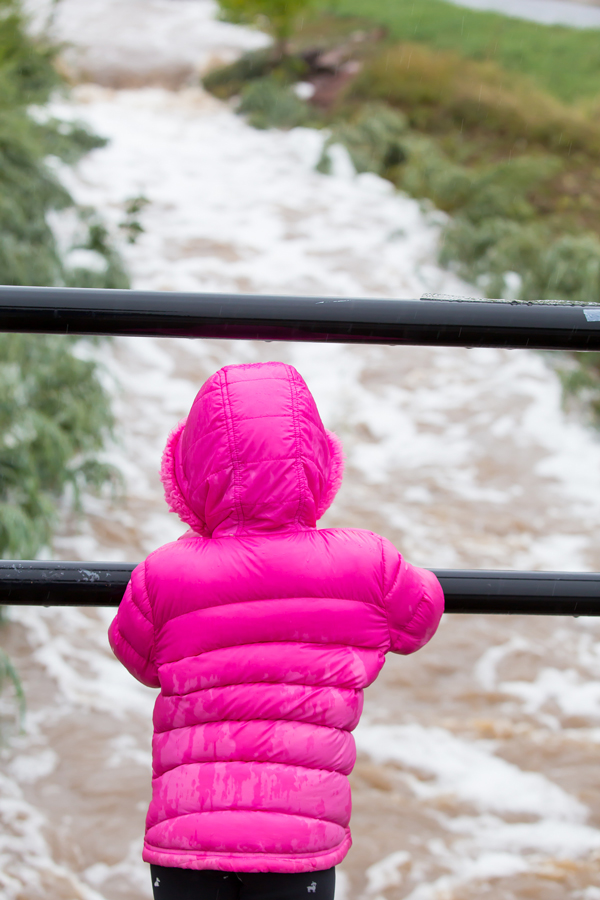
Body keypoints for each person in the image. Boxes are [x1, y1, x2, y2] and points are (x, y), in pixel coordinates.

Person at [109, 361, 444, 900]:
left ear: (190, 473)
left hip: (185, 844)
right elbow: (421, 615)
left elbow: (139, 657)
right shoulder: (365, 562)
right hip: (299, 847)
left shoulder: (163, 573)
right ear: (318, 463)